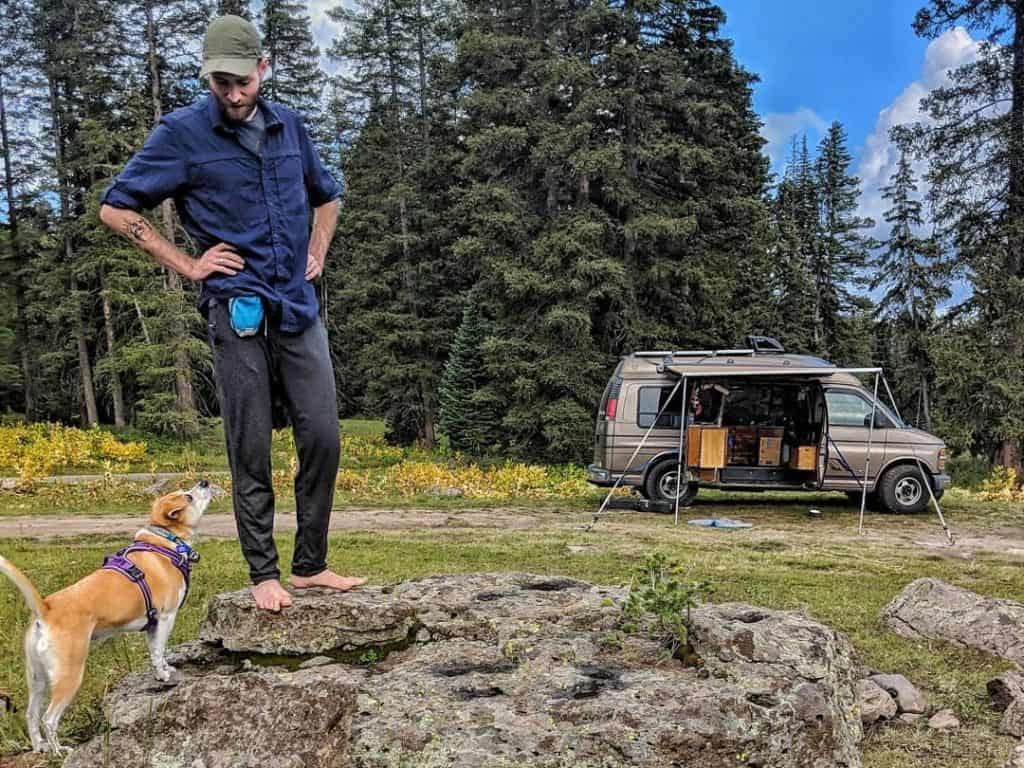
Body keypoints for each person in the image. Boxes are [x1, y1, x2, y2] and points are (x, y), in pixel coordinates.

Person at [99, 15, 365, 612]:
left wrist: (316, 251)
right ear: (209, 78)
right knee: (250, 445)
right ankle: (263, 573)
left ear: (262, 69)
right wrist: (189, 264)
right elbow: (116, 210)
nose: (234, 93)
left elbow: (328, 195)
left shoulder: (290, 128)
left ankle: (311, 565)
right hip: (236, 309)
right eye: (222, 82)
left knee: (322, 433)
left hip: (297, 306)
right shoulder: (182, 134)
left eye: (243, 81)